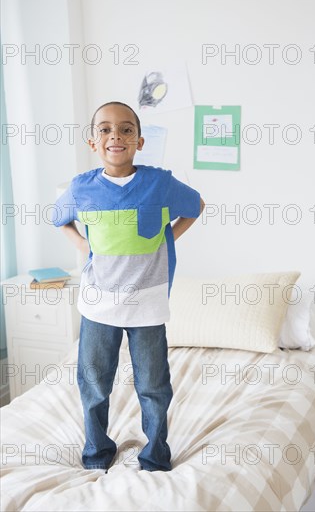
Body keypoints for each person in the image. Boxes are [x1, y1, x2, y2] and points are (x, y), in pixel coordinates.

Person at [52, 101, 205, 473]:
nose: (115, 136)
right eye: (104, 129)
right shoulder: (81, 187)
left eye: (124, 130)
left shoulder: (159, 182)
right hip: (98, 304)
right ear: (93, 142)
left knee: (153, 386)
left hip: (147, 306)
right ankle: (97, 453)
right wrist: (84, 246)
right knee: (93, 383)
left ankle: (154, 456)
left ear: (139, 140)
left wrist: (167, 238)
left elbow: (196, 205)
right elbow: (59, 218)